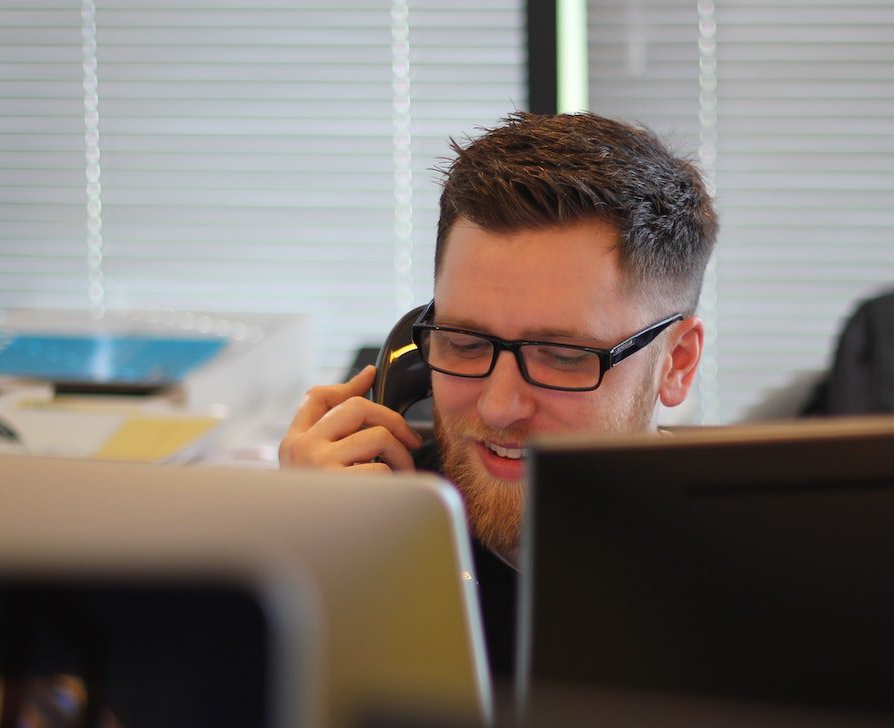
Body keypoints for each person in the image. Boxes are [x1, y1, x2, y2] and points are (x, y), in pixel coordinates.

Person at [279, 111, 717, 678]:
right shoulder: (362, 526)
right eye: (463, 342)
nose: (498, 406)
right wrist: (295, 557)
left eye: (562, 356)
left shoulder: (761, 585)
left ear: (676, 363)